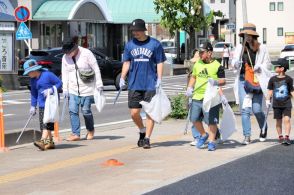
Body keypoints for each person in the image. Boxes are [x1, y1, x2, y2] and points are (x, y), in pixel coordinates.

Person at [120, 19, 166, 149]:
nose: (134, 33)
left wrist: (160, 79)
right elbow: (127, 62)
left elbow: (160, 62)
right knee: (134, 113)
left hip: (150, 84)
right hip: (134, 84)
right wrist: (122, 77)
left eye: (136, 31)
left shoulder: (155, 44)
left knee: (150, 113)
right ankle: (142, 130)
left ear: (143, 30)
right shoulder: (129, 45)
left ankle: (147, 138)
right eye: (133, 31)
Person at [232, 23, 272, 145]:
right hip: (243, 80)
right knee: (245, 110)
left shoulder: (262, 48)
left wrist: (260, 67)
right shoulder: (240, 47)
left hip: (257, 80)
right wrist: (236, 64)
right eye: (245, 35)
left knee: (257, 109)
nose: (247, 37)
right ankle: (247, 136)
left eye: (249, 35)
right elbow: (233, 62)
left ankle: (263, 126)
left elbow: (268, 64)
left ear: (254, 36)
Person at [186, 42, 227, 151]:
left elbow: (223, 81)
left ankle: (212, 141)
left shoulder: (217, 66)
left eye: (202, 52)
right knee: (194, 118)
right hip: (197, 96)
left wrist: (215, 82)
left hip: (211, 97)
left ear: (209, 53)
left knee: (211, 121)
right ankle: (204, 135)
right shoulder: (198, 63)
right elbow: (193, 77)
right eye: (199, 52)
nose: (200, 54)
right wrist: (190, 88)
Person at [62, 38, 103, 141]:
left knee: (86, 111)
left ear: (75, 48)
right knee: (72, 111)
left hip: (87, 88)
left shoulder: (86, 53)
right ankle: (76, 134)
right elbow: (65, 74)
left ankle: (90, 130)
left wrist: (99, 84)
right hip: (73, 89)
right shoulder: (65, 58)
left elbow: (96, 68)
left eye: (70, 52)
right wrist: (65, 89)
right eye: (67, 52)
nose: (68, 54)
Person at [24, 59, 62, 151]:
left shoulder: (48, 75)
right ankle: (50, 142)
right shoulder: (33, 81)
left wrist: (51, 90)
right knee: (43, 124)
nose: (28, 75)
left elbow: (59, 83)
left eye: (28, 72)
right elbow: (34, 94)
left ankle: (42, 141)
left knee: (47, 122)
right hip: (41, 104)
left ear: (34, 71)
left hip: (51, 103)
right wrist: (33, 106)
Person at [266, 58, 293, 145]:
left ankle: (287, 137)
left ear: (282, 69)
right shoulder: (272, 79)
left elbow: (292, 91)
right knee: (278, 121)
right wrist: (267, 99)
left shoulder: (289, 79)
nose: (275, 67)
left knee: (287, 120)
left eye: (277, 66)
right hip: (276, 104)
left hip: (287, 103)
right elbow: (270, 90)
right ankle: (280, 136)